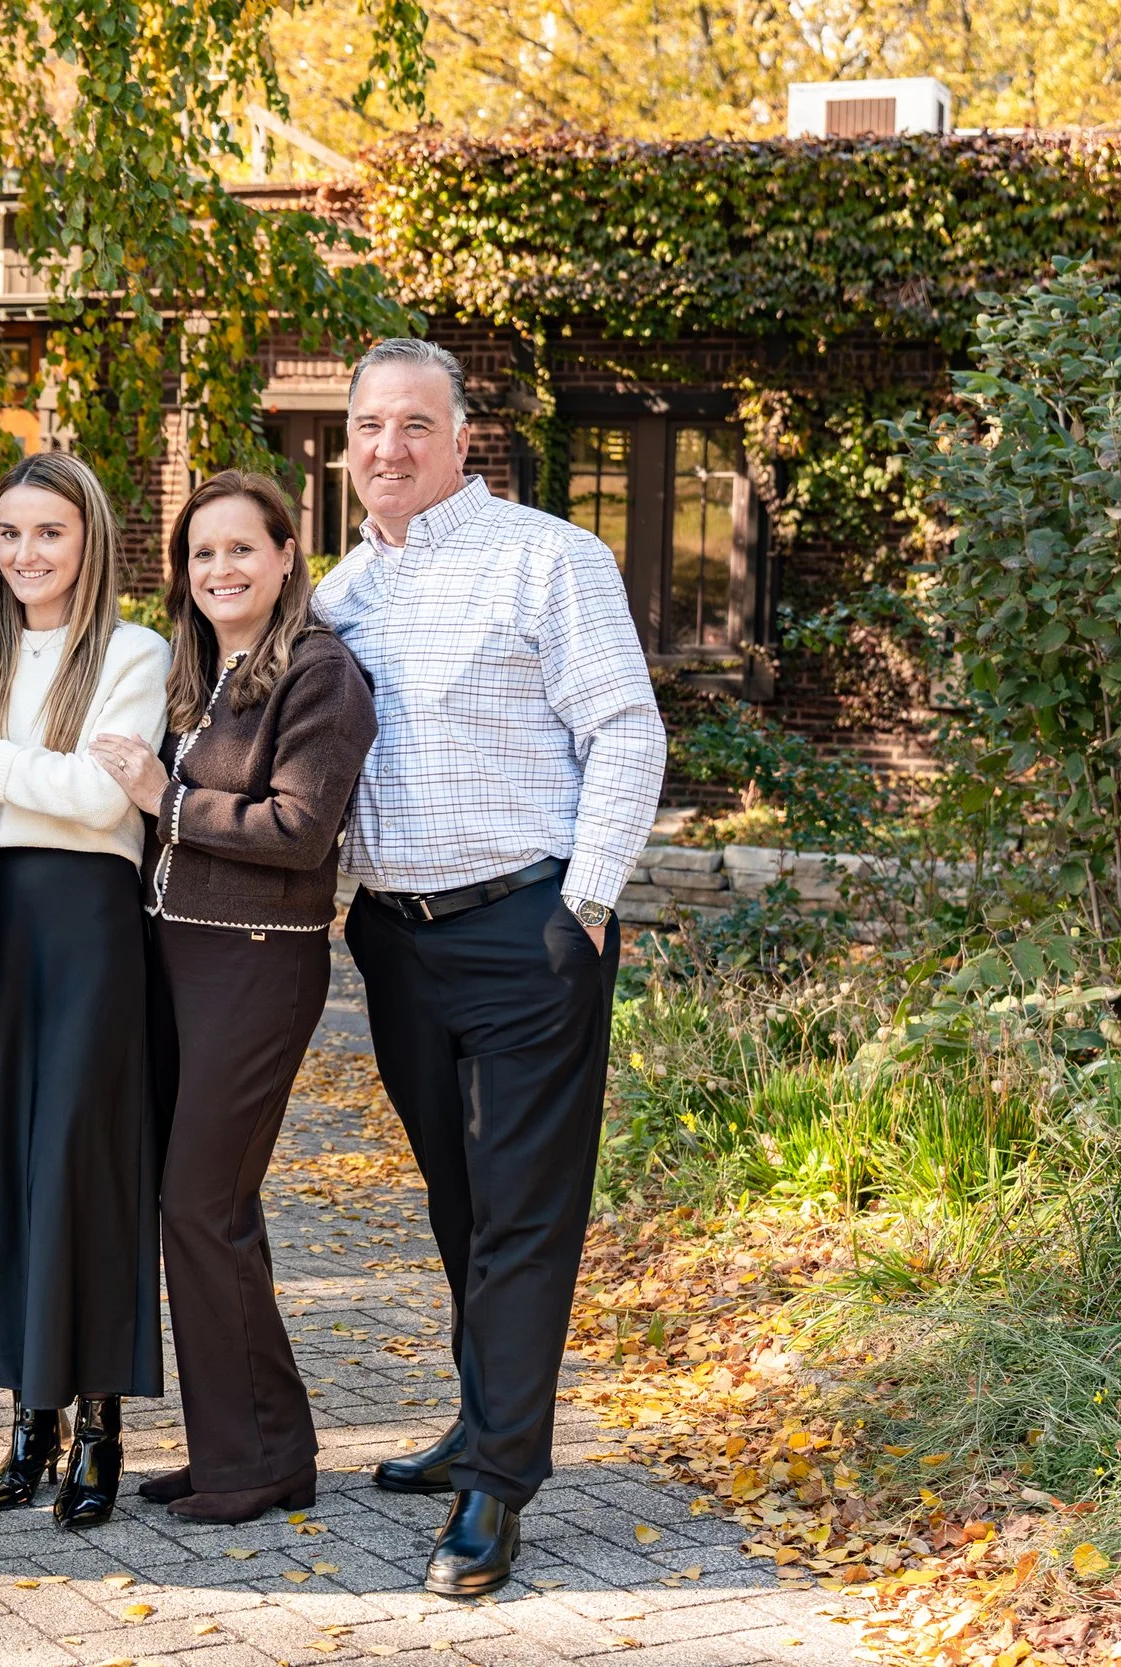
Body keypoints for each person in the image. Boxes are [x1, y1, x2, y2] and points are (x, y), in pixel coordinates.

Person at [311, 338, 665, 1595]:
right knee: (458, 1202)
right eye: (369, 424)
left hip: (526, 927)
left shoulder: (547, 558)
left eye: (416, 423)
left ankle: (496, 1485)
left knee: (521, 1211)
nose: (389, 446)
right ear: (345, 444)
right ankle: (480, 1421)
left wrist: (585, 902)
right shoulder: (339, 592)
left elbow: (625, 729)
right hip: (395, 942)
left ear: (463, 439)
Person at [90, 469, 376, 1528]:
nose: (220, 569)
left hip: (258, 962)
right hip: (172, 955)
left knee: (201, 1203)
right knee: (202, 1208)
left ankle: (258, 1455)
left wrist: (163, 797)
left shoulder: (320, 673)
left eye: (241, 548)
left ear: (287, 554)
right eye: (202, 552)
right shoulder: (198, 669)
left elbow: (300, 829)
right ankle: (246, 1449)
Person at [0, 451, 169, 1530]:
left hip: (88, 932)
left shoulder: (133, 651)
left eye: (48, 531)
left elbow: (101, 800)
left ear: (88, 537)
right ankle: (28, 1423)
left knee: (80, 1167)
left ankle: (98, 1427)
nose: (25, 553)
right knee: (3, 1165)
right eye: (9, 533)